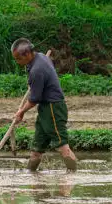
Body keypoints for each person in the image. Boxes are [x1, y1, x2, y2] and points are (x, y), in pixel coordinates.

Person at [10, 39, 79, 172]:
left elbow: (34, 99)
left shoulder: (37, 70)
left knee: (62, 146)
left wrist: (21, 112)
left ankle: (72, 179)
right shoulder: (40, 57)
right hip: (44, 109)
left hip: (53, 108)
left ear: (28, 54)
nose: (17, 62)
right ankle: (31, 176)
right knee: (37, 149)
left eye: (18, 59)